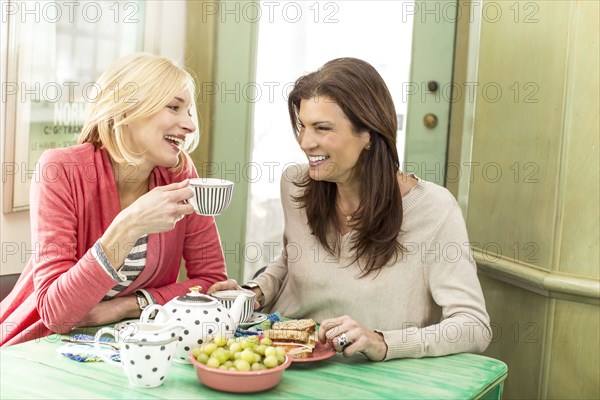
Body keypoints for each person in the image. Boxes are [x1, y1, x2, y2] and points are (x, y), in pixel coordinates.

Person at [208, 58, 491, 361]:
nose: (305, 141)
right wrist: (254, 294)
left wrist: (384, 342)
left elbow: (473, 327)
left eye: (323, 128)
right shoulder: (296, 184)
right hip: (286, 361)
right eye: (302, 126)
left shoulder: (434, 209)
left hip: (372, 377)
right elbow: (294, 260)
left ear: (368, 133)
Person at [1, 53, 228, 346]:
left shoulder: (180, 175)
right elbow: (57, 315)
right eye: (174, 107)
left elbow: (212, 281)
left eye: (189, 111)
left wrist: (128, 306)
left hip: (127, 348)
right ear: (126, 111)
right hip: (36, 349)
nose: (190, 125)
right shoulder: (60, 171)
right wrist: (129, 226)